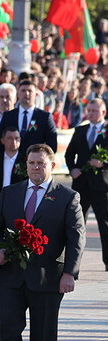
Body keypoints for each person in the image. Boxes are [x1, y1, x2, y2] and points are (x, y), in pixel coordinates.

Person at [0, 144, 84, 341]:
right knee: (6, 328)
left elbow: (76, 237)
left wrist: (70, 273)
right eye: (31, 163)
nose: (36, 167)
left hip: (48, 277)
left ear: (52, 165)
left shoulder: (67, 196)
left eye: (41, 163)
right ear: (25, 165)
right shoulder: (10, 193)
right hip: (11, 275)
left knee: (43, 334)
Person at [64, 98, 108, 271]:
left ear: (103, 112)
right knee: (75, 225)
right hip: (81, 185)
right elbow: (69, 154)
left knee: (104, 225)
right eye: (89, 110)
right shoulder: (80, 130)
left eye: (95, 111)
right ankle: (73, 262)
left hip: (101, 186)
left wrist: (103, 164)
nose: (91, 113)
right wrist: (72, 169)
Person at [0, 79, 57, 158]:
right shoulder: (8, 116)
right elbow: (0, 140)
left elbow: (52, 145)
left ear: (36, 94)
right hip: (11, 161)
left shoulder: (44, 117)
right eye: (23, 90)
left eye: (30, 91)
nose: (26, 93)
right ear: (18, 94)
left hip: (35, 162)